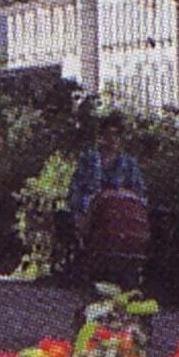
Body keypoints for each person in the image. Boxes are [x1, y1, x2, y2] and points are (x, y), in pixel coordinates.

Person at [69, 118, 151, 295]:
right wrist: (83, 204)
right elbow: (76, 188)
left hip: (120, 212)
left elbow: (140, 192)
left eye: (115, 136)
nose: (111, 140)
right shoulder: (89, 160)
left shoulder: (129, 164)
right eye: (107, 135)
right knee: (89, 209)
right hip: (93, 207)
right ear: (100, 137)